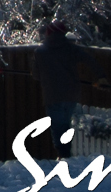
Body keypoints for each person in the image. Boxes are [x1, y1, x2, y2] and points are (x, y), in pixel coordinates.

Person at [34, 20, 98, 153]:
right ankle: (67, 151)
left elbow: (36, 74)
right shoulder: (71, 48)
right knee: (66, 122)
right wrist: (101, 77)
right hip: (71, 94)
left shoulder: (40, 52)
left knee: (58, 126)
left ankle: (63, 153)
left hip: (52, 94)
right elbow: (90, 60)